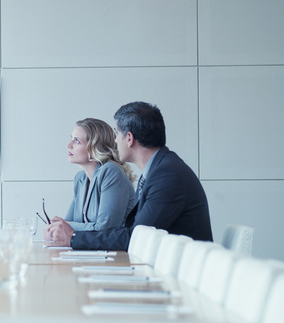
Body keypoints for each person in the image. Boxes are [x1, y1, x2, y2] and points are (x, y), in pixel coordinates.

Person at [46, 102, 213, 250]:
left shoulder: (167, 176)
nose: (115, 141)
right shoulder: (159, 170)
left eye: (117, 133)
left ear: (129, 138)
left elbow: (137, 236)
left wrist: (74, 237)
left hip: (179, 277)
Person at [44, 118, 135, 238]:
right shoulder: (80, 179)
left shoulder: (110, 172)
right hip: (90, 250)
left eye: (76, 141)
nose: (68, 145)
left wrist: (66, 226)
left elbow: (105, 229)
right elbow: (67, 224)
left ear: (95, 148)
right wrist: (55, 229)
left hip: (116, 253)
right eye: (71, 139)